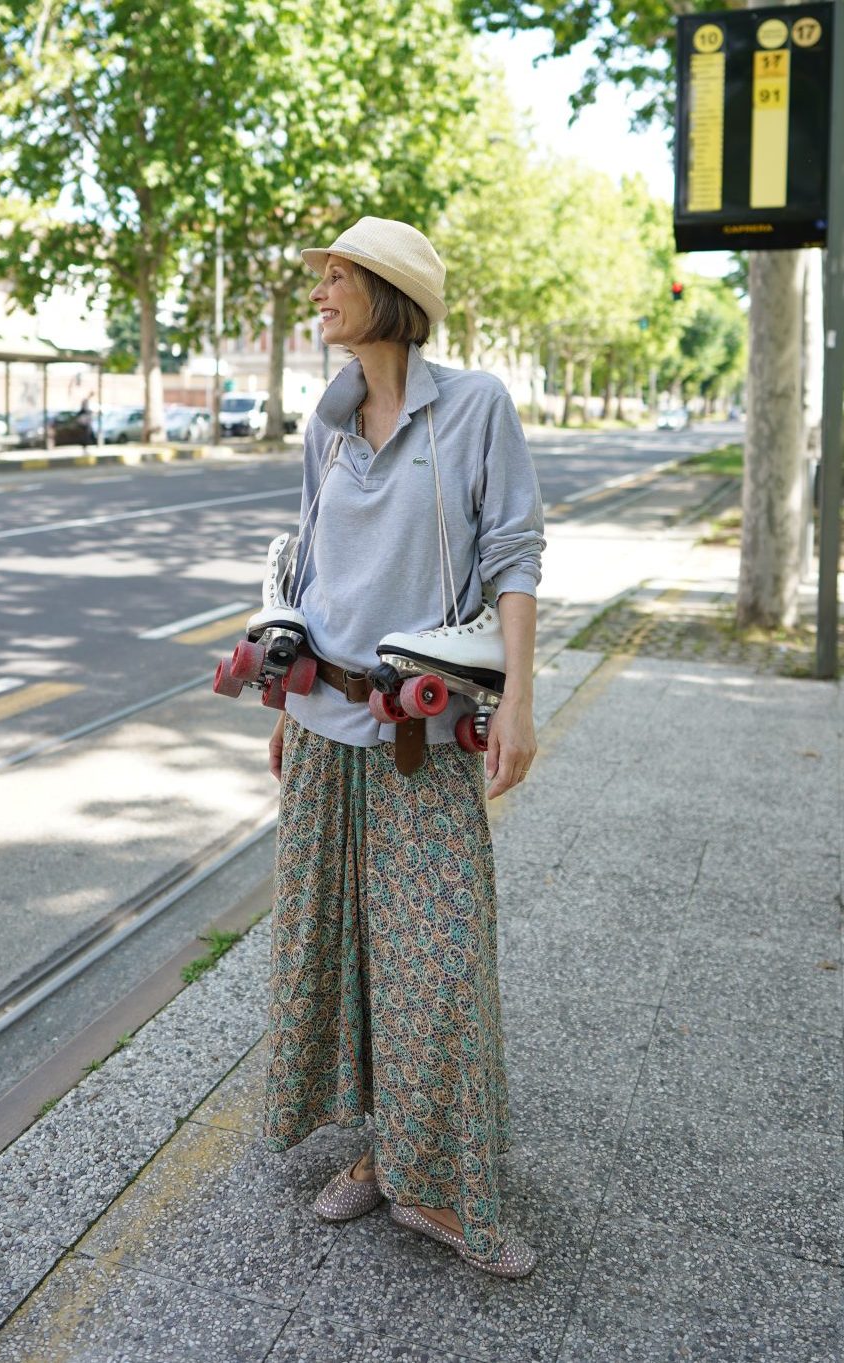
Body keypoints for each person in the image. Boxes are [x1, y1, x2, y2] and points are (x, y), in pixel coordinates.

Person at [261, 216, 545, 1278]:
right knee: (344, 950)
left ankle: (441, 1187)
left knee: (441, 956)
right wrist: (286, 709)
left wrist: (518, 701)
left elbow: (513, 555)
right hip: (324, 726)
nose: (320, 291)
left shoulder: (475, 407)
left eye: (338, 275)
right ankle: (384, 1152)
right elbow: (306, 571)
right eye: (322, 276)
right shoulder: (326, 423)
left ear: (388, 293)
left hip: (419, 733)